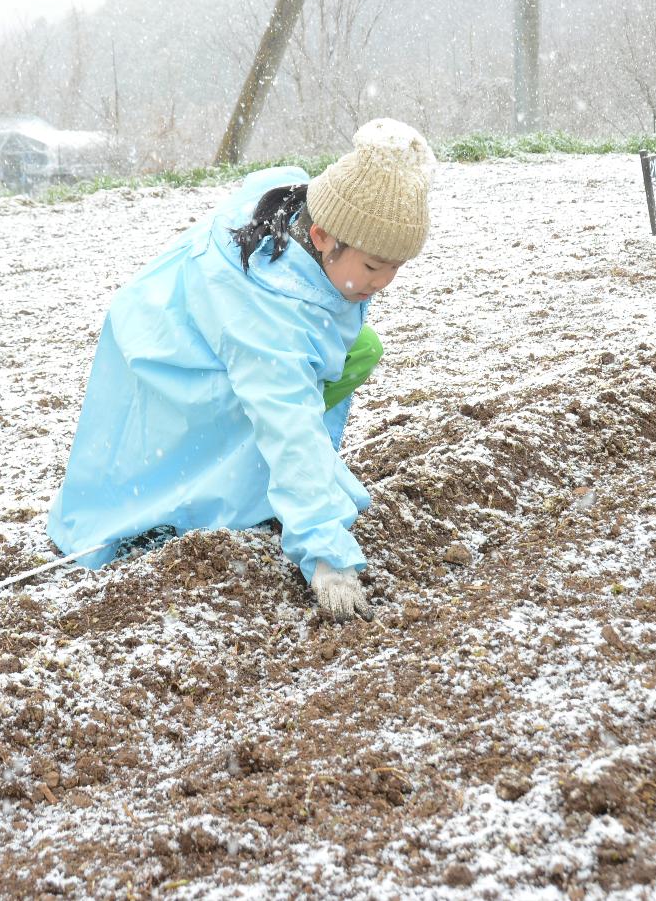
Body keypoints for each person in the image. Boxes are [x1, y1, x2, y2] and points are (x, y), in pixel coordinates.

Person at [46, 119, 433, 619]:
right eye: (376, 267)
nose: (385, 282)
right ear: (320, 235)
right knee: (249, 431)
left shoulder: (306, 222)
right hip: (166, 362)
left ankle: (262, 485)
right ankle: (227, 494)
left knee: (360, 349)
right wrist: (325, 556)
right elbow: (288, 421)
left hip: (193, 337)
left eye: (397, 267)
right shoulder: (266, 318)